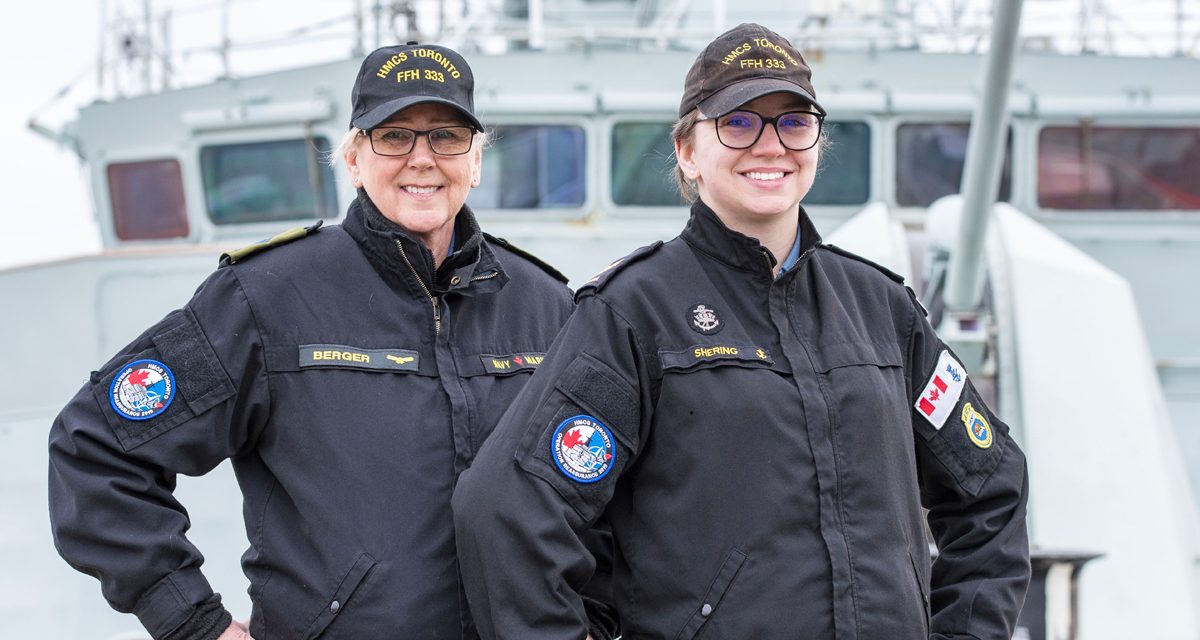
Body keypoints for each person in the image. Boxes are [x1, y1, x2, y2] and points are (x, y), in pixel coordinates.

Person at [453, 23, 1031, 640]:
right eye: (737, 123)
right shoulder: (634, 313)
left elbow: (990, 486)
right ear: (687, 151)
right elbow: (507, 512)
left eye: (793, 122)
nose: (770, 145)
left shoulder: (882, 310)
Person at [48, 42, 597, 640]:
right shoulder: (268, 295)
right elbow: (96, 447)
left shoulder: (546, 306)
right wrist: (192, 622)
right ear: (355, 159)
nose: (422, 159)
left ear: (475, 162)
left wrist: (594, 619)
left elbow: (604, 485)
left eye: (445, 136)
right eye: (393, 136)